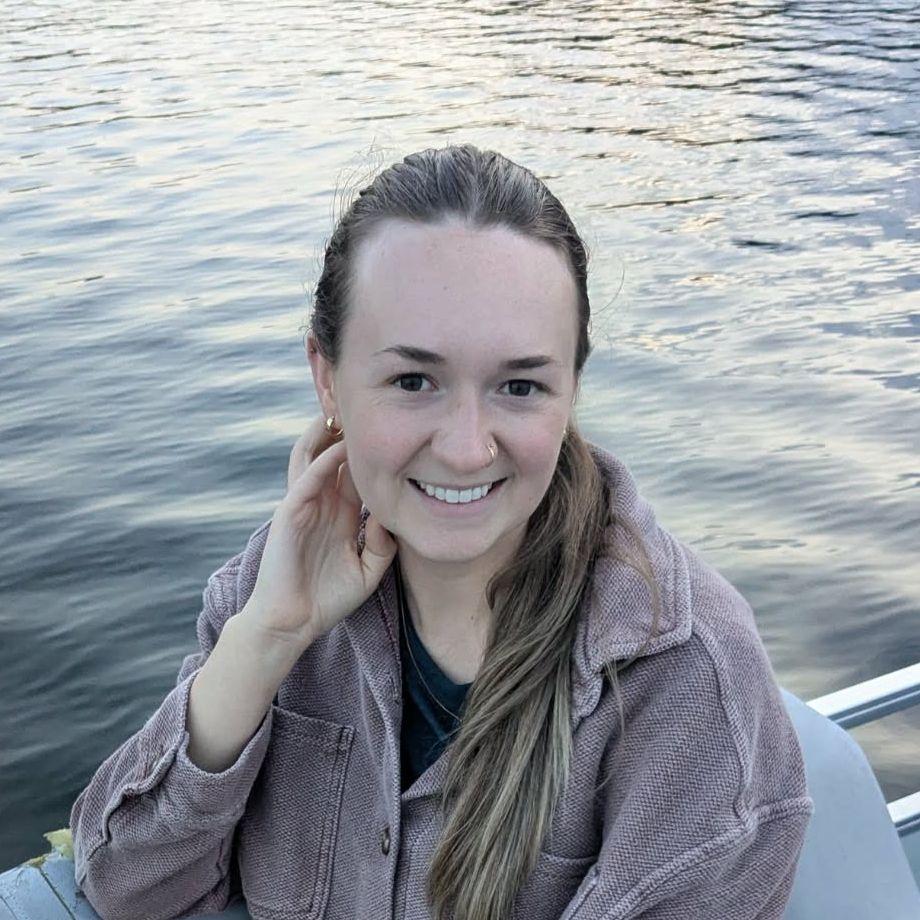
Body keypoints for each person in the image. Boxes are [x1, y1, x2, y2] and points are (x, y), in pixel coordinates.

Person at [69, 143, 814, 920]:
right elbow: (128, 888)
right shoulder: (273, 586)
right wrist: (265, 641)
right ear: (327, 378)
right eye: (413, 380)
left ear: (572, 389)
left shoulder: (689, 684)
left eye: (520, 386)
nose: (465, 449)